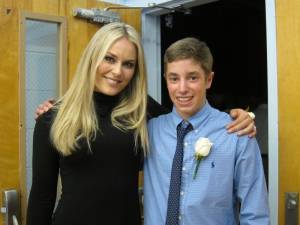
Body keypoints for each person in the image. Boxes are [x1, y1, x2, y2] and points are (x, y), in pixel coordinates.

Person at [28, 22, 256, 225]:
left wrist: (234, 116)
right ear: (92, 58)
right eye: (109, 58)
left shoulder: (141, 108)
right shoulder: (53, 118)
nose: (117, 71)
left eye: (128, 64)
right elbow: (41, 197)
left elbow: (186, 122)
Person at [143, 37, 269, 225]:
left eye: (192, 77)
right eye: (174, 78)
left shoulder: (237, 134)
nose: (182, 88)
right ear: (166, 80)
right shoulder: (149, 131)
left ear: (208, 79)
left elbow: (255, 214)